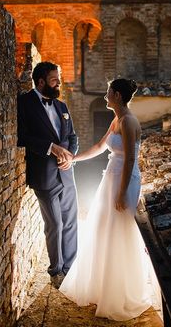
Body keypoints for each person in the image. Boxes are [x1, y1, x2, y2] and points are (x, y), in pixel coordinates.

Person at [59, 78, 158, 321]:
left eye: (108, 91)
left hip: (124, 181)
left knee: (120, 232)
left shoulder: (129, 121)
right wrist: (74, 158)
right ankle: (102, 287)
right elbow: (101, 147)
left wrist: (123, 193)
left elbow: (131, 160)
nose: (105, 95)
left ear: (116, 94)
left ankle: (121, 293)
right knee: (104, 228)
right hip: (111, 179)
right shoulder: (117, 119)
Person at [17, 61, 79, 289]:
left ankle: (70, 269)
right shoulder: (24, 103)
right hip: (44, 176)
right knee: (54, 224)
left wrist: (70, 155)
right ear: (41, 82)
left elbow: (72, 137)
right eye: (54, 80)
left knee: (71, 222)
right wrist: (50, 148)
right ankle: (56, 271)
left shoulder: (62, 107)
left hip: (67, 173)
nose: (58, 83)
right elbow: (21, 137)